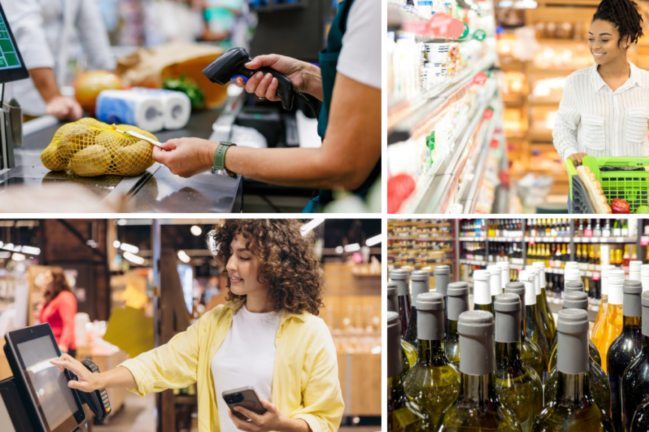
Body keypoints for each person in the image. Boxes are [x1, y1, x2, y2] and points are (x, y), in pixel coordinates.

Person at [51, 220, 343, 432]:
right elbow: (162, 362)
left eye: (244, 257)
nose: (230, 265)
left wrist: (281, 426)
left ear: (276, 265)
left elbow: (325, 418)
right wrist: (100, 380)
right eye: (230, 253)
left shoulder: (310, 332)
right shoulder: (216, 323)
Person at [151, 0, 380, 212]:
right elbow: (364, 94)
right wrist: (308, 77)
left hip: (355, 203)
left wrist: (210, 154)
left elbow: (342, 167)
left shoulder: (369, 8)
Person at [553, 0, 649, 170]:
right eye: (591, 38)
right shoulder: (577, 82)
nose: (595, 46)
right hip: (590, 181)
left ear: (625, 40)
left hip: (634, 184)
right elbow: (563, 127)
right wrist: (570, 151)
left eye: (604, 39)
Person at [2, 0, 115, 120]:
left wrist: (111, 80)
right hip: (19, 99)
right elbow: (27, 33)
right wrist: (53, 97)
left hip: (56, 96)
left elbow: (92, 28)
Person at [39, 269, 77, 357]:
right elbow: (43, 321)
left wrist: (63, 345)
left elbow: (69, 322)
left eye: (47, 278)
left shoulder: (65, 296)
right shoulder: (53, 299)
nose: (45, 281)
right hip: (52, 346)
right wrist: (46, 300)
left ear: (56, 280)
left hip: (62, 348)